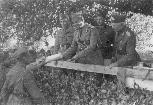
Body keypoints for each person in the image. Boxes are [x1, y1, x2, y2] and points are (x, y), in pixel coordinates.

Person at [107, 12, 141, 92]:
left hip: (129, 61)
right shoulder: (117, 31)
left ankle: (122, 94)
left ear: (122, 24)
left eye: (114, 25)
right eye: (112, 24)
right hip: (120, 58)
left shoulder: (129, 34)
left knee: (125, 78)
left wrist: (116, 63)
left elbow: (130, 55)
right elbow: (116, 48)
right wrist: (113, 58)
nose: (112, 27)